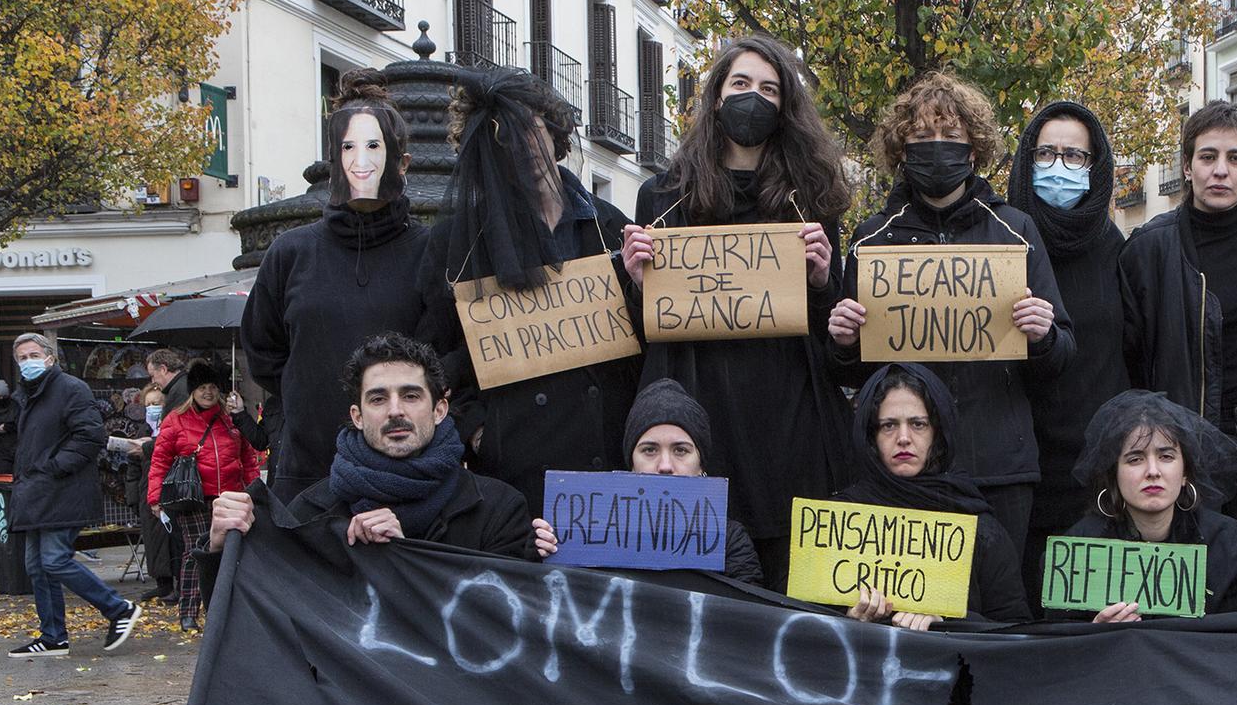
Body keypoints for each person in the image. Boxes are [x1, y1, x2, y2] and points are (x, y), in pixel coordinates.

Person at [621, 36, 852, 587]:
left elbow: (835, 332)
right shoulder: (664, 194)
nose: (755, 98)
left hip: (785, 408)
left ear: (786, 108)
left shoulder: (810, 199)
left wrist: (822, 280)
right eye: (741, 85)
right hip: (695, 394)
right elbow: (642, 323)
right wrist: (636, 279)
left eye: (770, 90)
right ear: (716, 97)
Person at [827, 71, 1075, 556]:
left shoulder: (1016, 230)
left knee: (998, 608)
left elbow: (1062, 354)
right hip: (907, 472)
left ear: (973, 149)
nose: (936, 147)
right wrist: (841, 342)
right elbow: (853, 368)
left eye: (950, 136)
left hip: (1000, 468)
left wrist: (1043, 334)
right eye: (922, 137)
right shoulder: (874, 238)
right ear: (901, 149)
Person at [420, 67, 641, 513]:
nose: (525, 148)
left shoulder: (609, 226)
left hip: (610, 463)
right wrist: (476, 431)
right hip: (517, 476)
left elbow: (646, 340)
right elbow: (433, 354)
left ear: (553, 127)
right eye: (505, 139)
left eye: (532, 129)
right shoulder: (457, 245)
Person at [206, 334, 557, 582]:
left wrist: (540, 562)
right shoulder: (311, 513)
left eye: (410, 396)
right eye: (377, 399)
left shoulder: (498, 510)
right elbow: (261, 626)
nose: (395, 411)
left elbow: (504, 631)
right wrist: (222, 551)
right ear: (357, 416)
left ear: (439, 409)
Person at [244, 69, 432, 505]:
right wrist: (300, 410)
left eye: (373, 147)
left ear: (401, 163)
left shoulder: (430, 254)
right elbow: (264, 354)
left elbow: (448, 359)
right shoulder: (290, 253)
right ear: (334, 161)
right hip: (307, 473)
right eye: (348, 147)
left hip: (405, 479)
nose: (360, 163)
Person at [1118, 101, 1237, 536]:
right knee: (1200, 566)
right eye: (1208, 157)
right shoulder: (1149, 248)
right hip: (1189, 432)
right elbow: (1129, 354)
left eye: (1235, 158)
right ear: (1187, 166)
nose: (1221, 170)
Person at [1005, 100, 1131, 600]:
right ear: (1024, 160)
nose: (1060, 167)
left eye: (1075, 157)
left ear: (1095, 166)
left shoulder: (1118, 250)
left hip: (1095, 467)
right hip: (1019, 464)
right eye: (1046, 153)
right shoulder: (1001, 237)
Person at [832, 363, 1033, 629]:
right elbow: (804, 629)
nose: (903, 438)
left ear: (938, 433)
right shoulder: (838, 521)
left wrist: (947, 621)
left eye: (918, 424)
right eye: (889, 425)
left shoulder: (978, 527)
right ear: (871, 436)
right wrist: (848, 620)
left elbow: (1014, 630)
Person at [1044, 390, 1237, 620]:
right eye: (1135, 459)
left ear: (1185, 474)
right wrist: (1096, 634)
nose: (1152, 471)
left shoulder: (1232, 547)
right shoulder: (1078, 553)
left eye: (1166, 457)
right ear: (1114, 476)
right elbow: (1059, 646)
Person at [2, 333, 142, 657]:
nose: (28, 362)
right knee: (36, 565)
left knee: (54, 560)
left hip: (62, 490)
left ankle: (118, 608)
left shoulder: (70, 389)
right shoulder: (26, 395)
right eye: (22, 358)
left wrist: (53, 468)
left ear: (50, 358)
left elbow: (90, 436)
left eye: (33, 355)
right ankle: (53, 637)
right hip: (37, 491)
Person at [146, 359, 260, 630]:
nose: (207, 392)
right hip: (194, 498)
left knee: (231, 553)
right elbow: (159, 460)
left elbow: (249, 457)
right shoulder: (176, 420)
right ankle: (188, 612)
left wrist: (255, 490)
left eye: (212, 387)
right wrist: (154, 497)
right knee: (195, 552)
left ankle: (225, 610)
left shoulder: (231, 420)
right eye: (201, 387)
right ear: (192, 391)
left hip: (230, 496)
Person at [621, 378, 765, 586]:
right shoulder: (592, 532)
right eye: (649, 450)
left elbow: (746, 613)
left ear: (701, 466)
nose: (665, 466)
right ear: (631, 463)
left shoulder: (729, 541)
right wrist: (556, 551)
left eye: (680, 450)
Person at [133, 384, 176, 602]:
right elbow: (133, 468)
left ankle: (175, 583)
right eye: (148, 404)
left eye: (156, 404)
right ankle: (162, 583)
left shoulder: (170, 427)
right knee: (153, 538)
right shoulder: (143, 430)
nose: (152, 408)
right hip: (147, 489)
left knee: (171, 537)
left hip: (168, 488)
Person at [145, 349, 189, 416]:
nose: (153, 381)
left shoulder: (179, 393)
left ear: (163, 369)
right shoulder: (186, 382)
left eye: (153, 376)